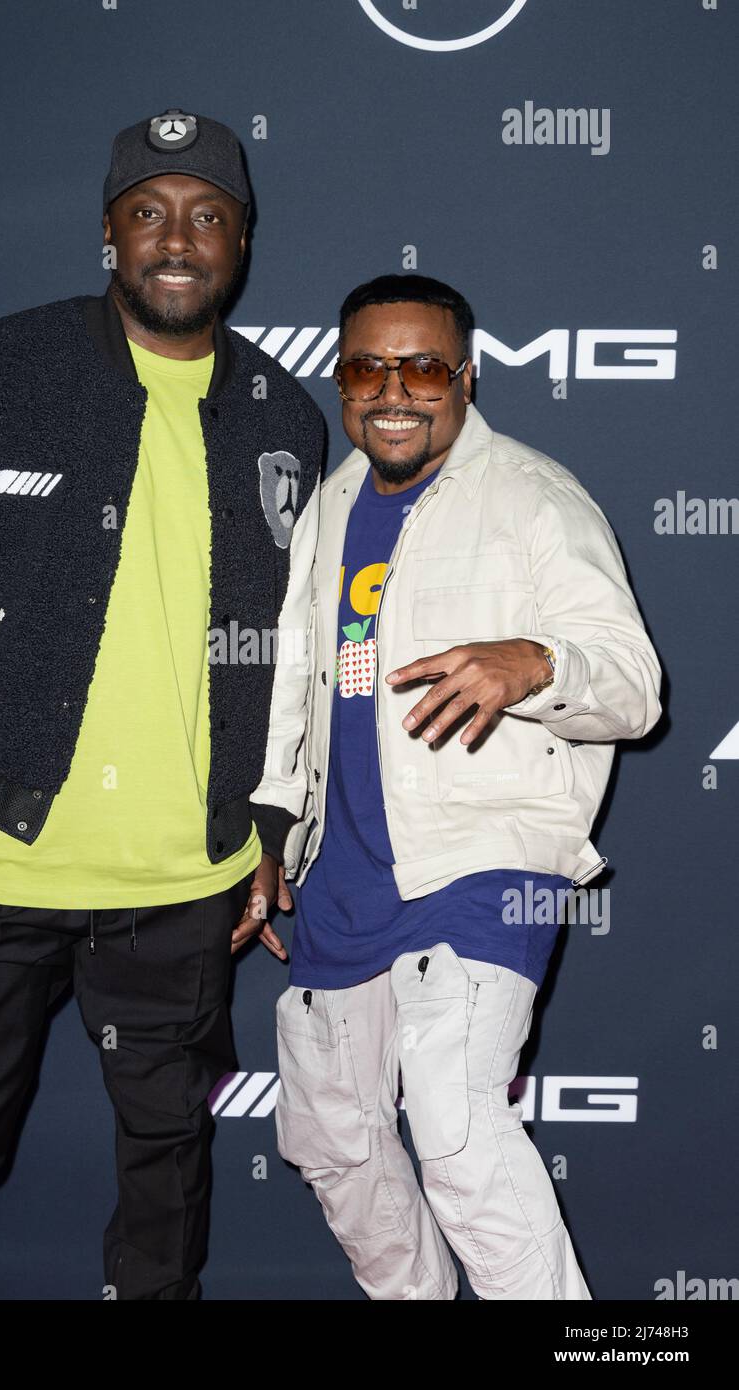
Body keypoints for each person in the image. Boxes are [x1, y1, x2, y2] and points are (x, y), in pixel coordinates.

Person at [0, 108, 324, 1300]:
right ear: (107, 235)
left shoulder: (285, 419)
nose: (179, 239)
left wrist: (269, 823)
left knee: (166, 1162)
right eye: (149, 214)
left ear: (242, 243)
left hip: (185, 879)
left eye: (207, 215)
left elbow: (292, 652)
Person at [274, 273, 661, 1300]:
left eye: (422, 366)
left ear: (466, 377)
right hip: (339, 876)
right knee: (331, 1143)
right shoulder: (331, 505)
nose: (393, 388)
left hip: (484, 860)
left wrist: (533, 663)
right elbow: (298, 692)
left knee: (453, 1127)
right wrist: (272, 841)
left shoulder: (533, 496)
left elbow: (632, 689)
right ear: (341, 377)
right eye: (367, 365)